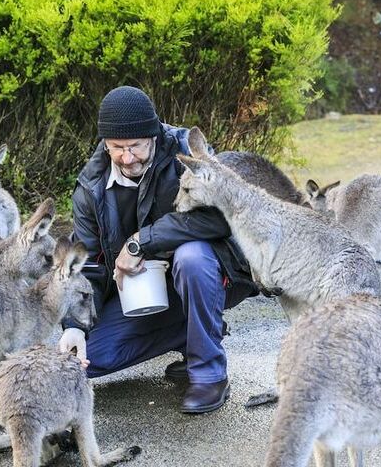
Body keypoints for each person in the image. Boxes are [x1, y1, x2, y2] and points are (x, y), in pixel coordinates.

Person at [59, 85, 258, 414]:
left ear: (153, 135)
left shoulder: (186, 152)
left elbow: (223, 218)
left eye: (135, 146)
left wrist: (141, 241)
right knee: (93, 357)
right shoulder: (89, 188)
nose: (127, 157)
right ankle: (189, 333)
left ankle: (208, 372)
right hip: (143, 290)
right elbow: (89, 268)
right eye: (116, 148)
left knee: (191, 257)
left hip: (213, 274)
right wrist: (74, 326)